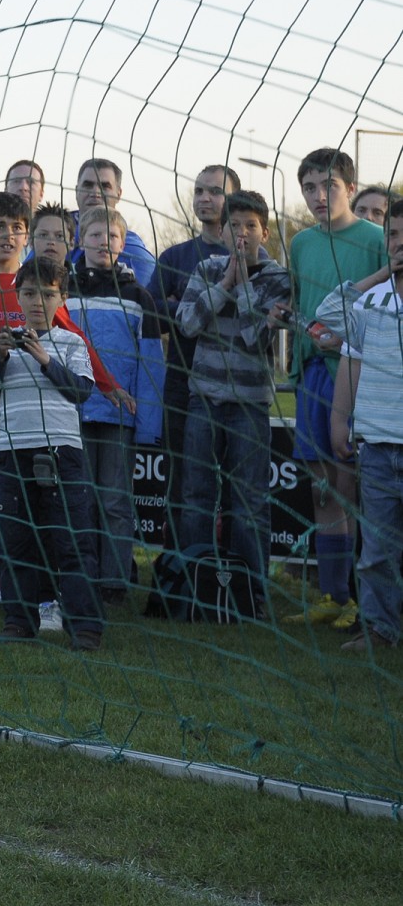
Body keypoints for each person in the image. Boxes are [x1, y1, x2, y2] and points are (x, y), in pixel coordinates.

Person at [0, 191, 120, 620]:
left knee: (33, 512)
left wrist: (108, 385)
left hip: (25, 424)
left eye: (17, 228)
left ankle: (38, 595)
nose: (8, 236)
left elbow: (75, 341)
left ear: (26, 235)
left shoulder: (35, 286)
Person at [0, 257, 104, 650]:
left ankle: (84, 626)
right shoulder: (1, 341)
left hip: (62, 453)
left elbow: (82, 391)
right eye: (30, 293)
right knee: (16, 541)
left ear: (62, 298)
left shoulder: (72, 342)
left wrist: (44, 358)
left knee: (71, 540)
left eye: (47, 294)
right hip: (13, 452)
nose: (38, 302)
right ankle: (19, 620)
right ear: (17, 296)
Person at [284, 148, 386, 627]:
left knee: (355, 485)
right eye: (308, 188)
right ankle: (332, 595)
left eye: (328, 186)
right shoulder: (301, 242)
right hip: (313, 374)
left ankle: (368, 598)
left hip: (360, 373)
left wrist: (347, 333)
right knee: (322, 486)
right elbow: (298, 301)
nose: (317, 196)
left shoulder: (374, 239)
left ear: (349, 186)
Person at [175, 190, 293, 606]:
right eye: (234, 225)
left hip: (249, 402)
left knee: (249, 501)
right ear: (221, 230)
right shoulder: (206, 268)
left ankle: (251, 594)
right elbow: (186, 324)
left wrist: (241, 286)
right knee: (197, 496)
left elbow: (253, 337)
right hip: (203, 398)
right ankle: (194, 586)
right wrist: (225, 281)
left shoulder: (277, 278)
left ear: (264, 232)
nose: (241, 234)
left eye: (251, 226)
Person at [64, 206, 165, 605]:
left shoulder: (140, 297)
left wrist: (149, 423)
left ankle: (115, 580)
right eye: (94, 235)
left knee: (116, 500)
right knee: (79, 497)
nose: (103, 243)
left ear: (124, 245)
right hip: (74, 413)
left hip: (120, 417)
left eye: (112, 237)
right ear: (80, 241)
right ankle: (80, 575)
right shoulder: (66, 294)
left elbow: (152, 363)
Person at [150, 164, 244, 548]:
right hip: (182, 384)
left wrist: (189, 306)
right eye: (199, 191)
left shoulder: (252, 255)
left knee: (238, 483)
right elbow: (152, 312)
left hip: (238, 387)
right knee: (184, 479)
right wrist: (190, 311)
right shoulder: (175, 256)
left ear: (232, 199)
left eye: (216, 192)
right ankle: (181, 566)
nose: (205, 199)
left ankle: (236, 573)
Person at [324, 197, 403, 651]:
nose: (399, 244)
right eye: (392, 235)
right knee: (377, 550)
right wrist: (339, 420)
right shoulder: (373, 300)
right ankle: (379, 630)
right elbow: (330, 315)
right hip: (375, 447)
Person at [70, 158, 157, 288]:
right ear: (77, 190)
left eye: (105, 186)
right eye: (88, 185)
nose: (95, 193)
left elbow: (152, 298)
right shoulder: (50, 237)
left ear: (118, 194)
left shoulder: (135, 253)